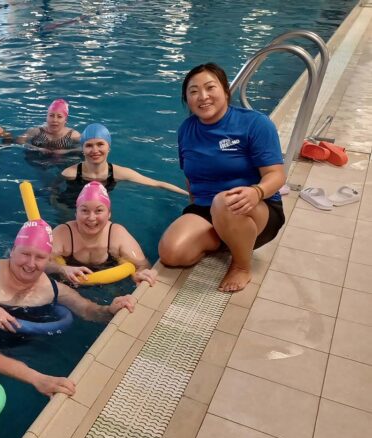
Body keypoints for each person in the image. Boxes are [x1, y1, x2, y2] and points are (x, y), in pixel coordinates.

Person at [158, 62, 286, 292]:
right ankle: (228, 236)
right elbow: (191, 178)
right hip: (209, 209)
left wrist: (256, 191)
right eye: (193, 91)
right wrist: (194, 215)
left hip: (256, 206)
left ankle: (241, 265)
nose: (203, 96)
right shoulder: (186, 130)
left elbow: (276, 175)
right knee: (171, 253)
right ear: (186, 99)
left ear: (225, 90)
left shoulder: (255, 123)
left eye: (210, 88)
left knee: (223, 202)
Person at [0, 219, 135, 344]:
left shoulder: (55, 290)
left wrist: (111, 310)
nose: (30, 264)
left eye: (39, 257)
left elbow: (91, 312)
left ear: (48, 260)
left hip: (5, 347)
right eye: (25, 254)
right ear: (12, 251)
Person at [49, 182, 157, 286]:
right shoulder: (62, 233)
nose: (91, 218)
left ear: (109, 214)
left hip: (109, 279)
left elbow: (142, 264)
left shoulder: (117, 234)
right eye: (85, 211)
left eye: (98, 211)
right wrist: (61, 269)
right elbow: (40, 262)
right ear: (76, 213)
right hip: (69, 283)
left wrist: (138, 275)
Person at [58, 123, 188, 197]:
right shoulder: (69, 174)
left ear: (109, 147)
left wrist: (188, 195)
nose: (95, 150)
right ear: (83, 150)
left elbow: (158, 184)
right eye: (89, 145)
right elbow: (54, 195)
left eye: (100, 144)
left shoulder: (120, 173)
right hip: (71, 204)